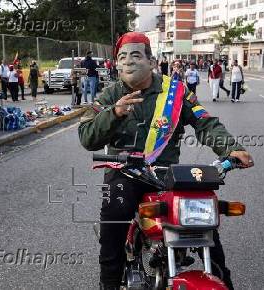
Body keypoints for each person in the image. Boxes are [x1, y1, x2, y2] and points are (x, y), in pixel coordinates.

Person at [78, 32, 254, 290]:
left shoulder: (176, 91)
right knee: (113, 225)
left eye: (136, 55)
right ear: (116, 63)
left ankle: (223, 281)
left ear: (152, 61)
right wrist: (114, 113)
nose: (128, 62)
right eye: (122, 57)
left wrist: (231, 148)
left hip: (166, 175)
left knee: (205, 226)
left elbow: (205, 123)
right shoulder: (109, 95)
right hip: (124, 173)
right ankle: (109, 285)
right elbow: (87, 136)